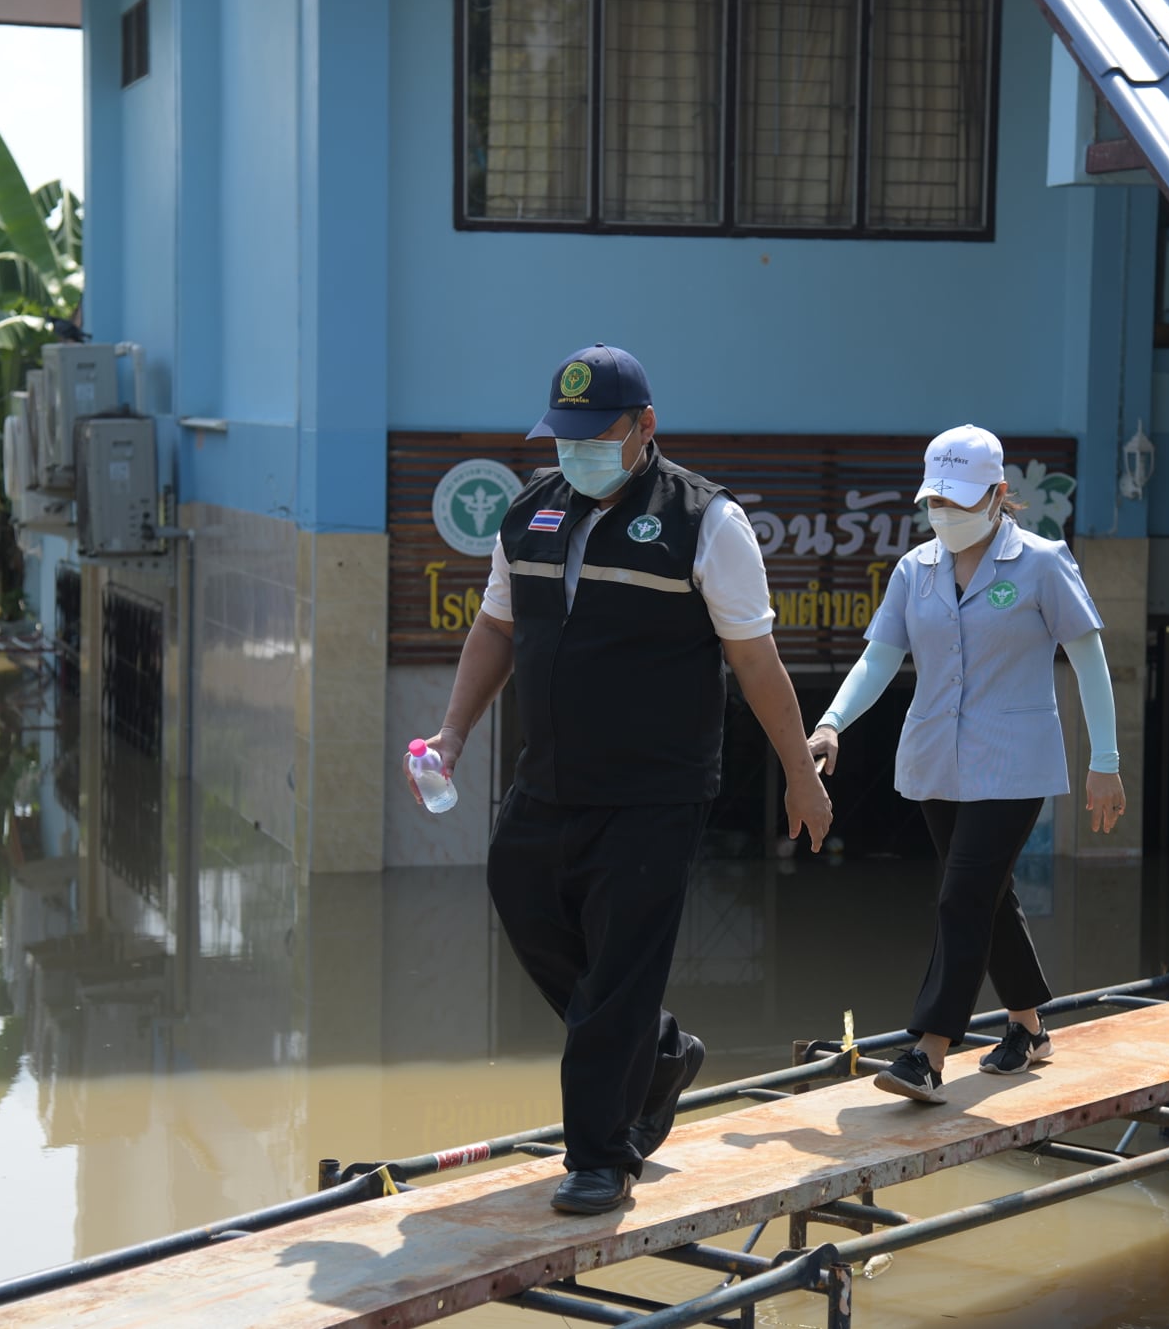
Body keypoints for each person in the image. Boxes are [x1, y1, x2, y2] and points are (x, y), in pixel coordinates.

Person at [409, 343, 833, 1215]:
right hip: (550, 777)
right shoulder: (528, 512)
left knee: (619, 974)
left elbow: (756, 664)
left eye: (592, 435)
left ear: (644, 428)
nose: (573, 453)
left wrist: (800, 774)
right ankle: (662, 1051)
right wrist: (453, 733)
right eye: (561, 437)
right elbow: (494, 631)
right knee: (519, 894)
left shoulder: (707, 522)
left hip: (655, 793)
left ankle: (602, 1157)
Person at [807, 424, 1125, 1104]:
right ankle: (1030, 1027)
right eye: (936, 501)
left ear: (999, 494)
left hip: (1015, 765)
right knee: (988, 897)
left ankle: (927, 1050)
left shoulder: (1041, 563)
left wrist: (1106, 759)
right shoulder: (913, 569)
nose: (945, 514)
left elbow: (1090, 657)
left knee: (961, 896)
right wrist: (832, 721)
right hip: (936, 763)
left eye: (958, 500)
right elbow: (880, 657)